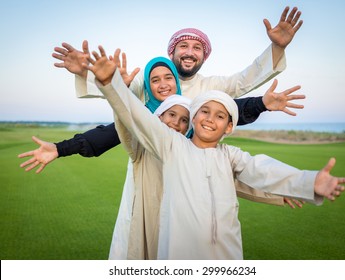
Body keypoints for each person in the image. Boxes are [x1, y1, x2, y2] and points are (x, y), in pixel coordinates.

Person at [85, 45, 345, 259]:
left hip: (226, 256)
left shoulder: (230, 156)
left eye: (220, 115)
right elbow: (135, 118)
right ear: (195, 117)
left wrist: (308, 182)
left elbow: (260, 171)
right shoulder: (172, 147)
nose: (210, 119)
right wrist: (111, 84)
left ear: (229, 126)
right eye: (203, 111)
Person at [18, 55, 296, 259]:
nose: (175, 122)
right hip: (146, 208)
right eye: (155, 80)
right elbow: (119, 125)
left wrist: (273, 192)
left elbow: (224, 168)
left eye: (183, 118)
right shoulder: (143, 134)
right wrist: (115, 88)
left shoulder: (196, 142)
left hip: (185, 216)